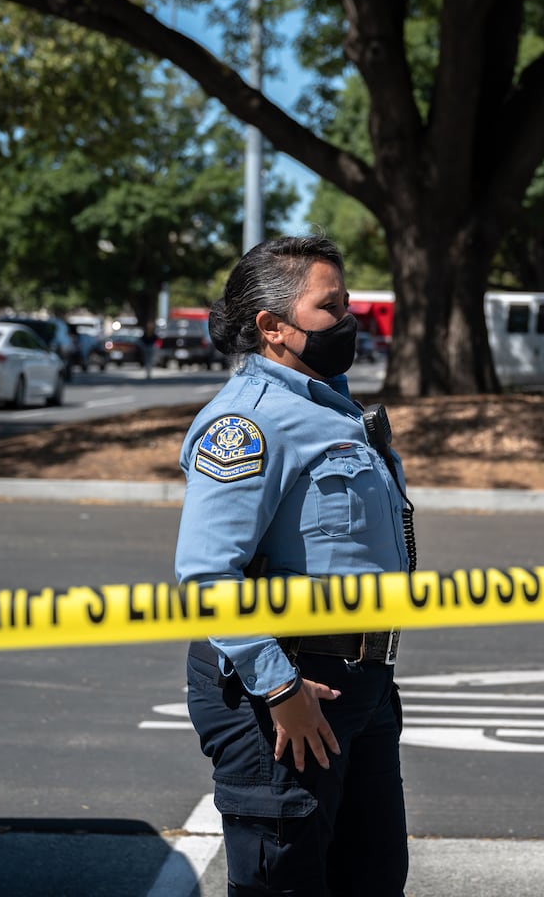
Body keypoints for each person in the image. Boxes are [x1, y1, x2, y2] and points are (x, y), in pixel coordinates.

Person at [176, 235, 412, 896]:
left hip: (360, 685)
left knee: (370, 881)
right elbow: (205, 575)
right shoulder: (248, 423)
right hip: (285, 694)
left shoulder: (328, 407)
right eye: (329, 306)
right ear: (273, 327)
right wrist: (279, 689)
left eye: (346, 303)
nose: (349, 320)